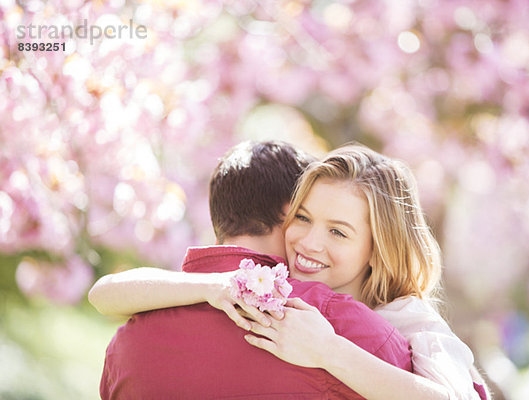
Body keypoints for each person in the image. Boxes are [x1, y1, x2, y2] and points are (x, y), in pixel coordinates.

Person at [90, 143, 489, 400]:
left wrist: (328, 351)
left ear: (377, 248)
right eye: (303, 217)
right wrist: (219, 284)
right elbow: (104, 294)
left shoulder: (408, 325)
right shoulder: (268, 293)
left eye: (337, 231)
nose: (309, 243)